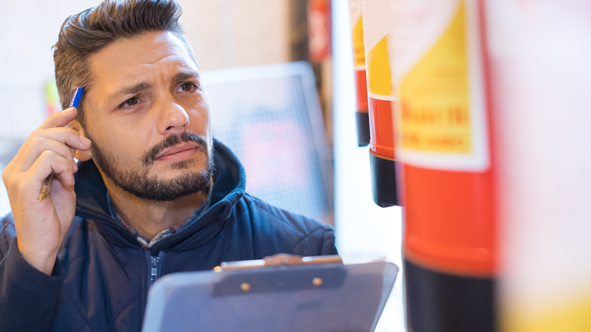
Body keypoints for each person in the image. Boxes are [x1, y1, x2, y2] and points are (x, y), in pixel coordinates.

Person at [0, 1, 337, 331]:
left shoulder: (304, 250)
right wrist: (32, 266)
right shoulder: (17, 247)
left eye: (186, 86)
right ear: (78, 136)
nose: (178, 116)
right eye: (132, 101)